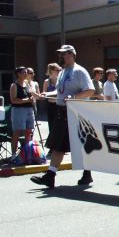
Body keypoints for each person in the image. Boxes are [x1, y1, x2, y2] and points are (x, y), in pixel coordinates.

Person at [30, 45, 95, 188]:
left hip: (75, 113)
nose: (61, 57)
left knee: (80, 144)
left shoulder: (80, 71)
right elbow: (61, 93)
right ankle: (51, 176)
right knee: (57, 145)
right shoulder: (63, 72)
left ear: (71, 55)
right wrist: (45, 95)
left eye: (64, 54)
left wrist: (74, 97)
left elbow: (90, 90)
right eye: (60, 54)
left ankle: (86, 173)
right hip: (62, 113)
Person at [9, 66, 36, 163]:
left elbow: (31, 95)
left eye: (26, 72)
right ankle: (13, 155)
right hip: (18, 111)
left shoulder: (27, 84)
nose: (26, 74)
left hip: (29, 110)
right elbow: (13, 100)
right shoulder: (14, 85)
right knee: (17, 132)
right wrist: (26, 100)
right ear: (18, 74)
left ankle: (28, 153)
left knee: (29, 132)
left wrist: (33, 99)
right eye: (24, 72)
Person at [42, 63, 61, 140]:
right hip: (51, 105)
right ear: (51, 71)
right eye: (57, 70)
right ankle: (52, 145)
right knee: (51, 125)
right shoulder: (47, 81)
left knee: (59, 126)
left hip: (59, 105)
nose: (59, 71)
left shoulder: (60, 80)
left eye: (60, 70)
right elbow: (44, 94)